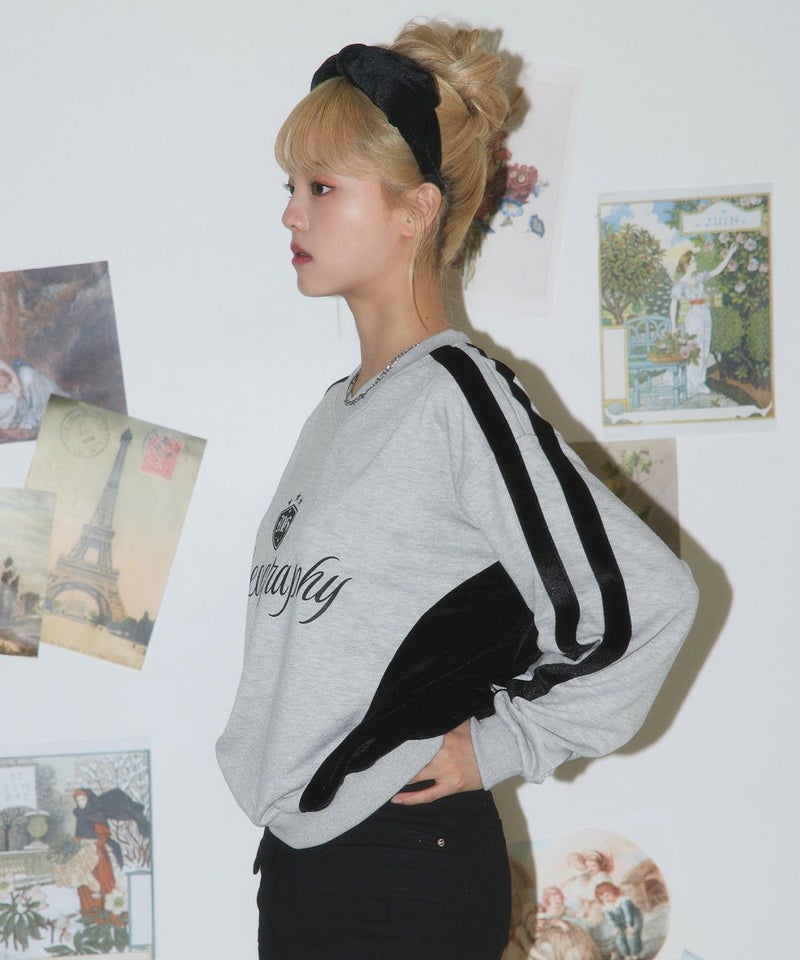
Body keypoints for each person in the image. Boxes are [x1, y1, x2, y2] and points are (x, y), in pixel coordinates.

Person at [216, 20, 698, 960]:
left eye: (321, 188)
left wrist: (498, 746)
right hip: (307, 868)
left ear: (417, 210)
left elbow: (648, 603)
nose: (291, 216)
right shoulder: (337, 413)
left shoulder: (456, 394)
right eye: (290, 188)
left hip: (402, 871)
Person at [669, 243, 737, 398]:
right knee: (695, 348)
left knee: (705, 347)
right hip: (693, 316)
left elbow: (717, 270)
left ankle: (700, 381)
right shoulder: (680, 284)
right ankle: (691, 383)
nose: (696, 263)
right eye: (693, 261)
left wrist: (730, 254)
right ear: (686, 265)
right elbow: (673, 305)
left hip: (705, 314)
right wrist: (673, 325)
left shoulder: (698, 277)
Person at [595, 882, 644, 960]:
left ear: (614, 892)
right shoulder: (606, 907)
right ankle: (627, 955)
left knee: (631, 935)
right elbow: (610, 919)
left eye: (607, 896)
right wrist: (615, 927)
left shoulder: (623, 901)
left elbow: (628, 914)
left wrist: (630, 926)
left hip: (634, 920)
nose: (606, 899)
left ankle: (635, 955)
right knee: (619, 937)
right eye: (602, 898)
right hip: (621, 923)